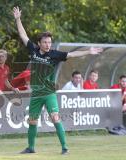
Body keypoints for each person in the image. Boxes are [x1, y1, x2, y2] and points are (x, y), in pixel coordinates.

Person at [13, 6, 103, 154]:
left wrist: (88, 51)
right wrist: (18, 19)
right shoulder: (34, 50)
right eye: (46, 42)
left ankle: (65, 147)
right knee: (32, 121)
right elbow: (23, 35)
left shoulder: (55, 54)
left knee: (55, 118)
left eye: (50, 42)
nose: (48, 44)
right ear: (40, 43)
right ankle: (31, 148)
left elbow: (72, 55)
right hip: (36, 93)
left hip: (48, 92)